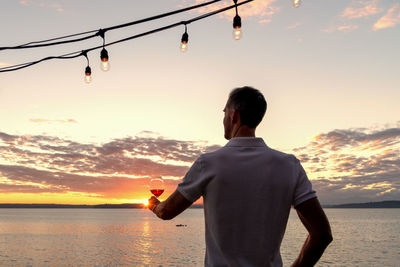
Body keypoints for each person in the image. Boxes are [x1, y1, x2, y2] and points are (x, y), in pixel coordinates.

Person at [148, 86, 332, 267]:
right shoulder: (289, 165)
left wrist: (154, 204)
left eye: (224, 113)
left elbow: (166, 212)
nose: (223, 119)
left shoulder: (208, 163)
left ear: (233, 115)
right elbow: (322, 235)